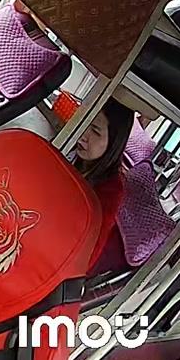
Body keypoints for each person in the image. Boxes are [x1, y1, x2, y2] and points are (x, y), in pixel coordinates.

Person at [74, 98, 135, 262]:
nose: (83, 135)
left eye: (95, 131)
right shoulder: (74, 154)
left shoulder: (112, 190)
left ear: (113, 142)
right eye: (85, 122)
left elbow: (89, 252)